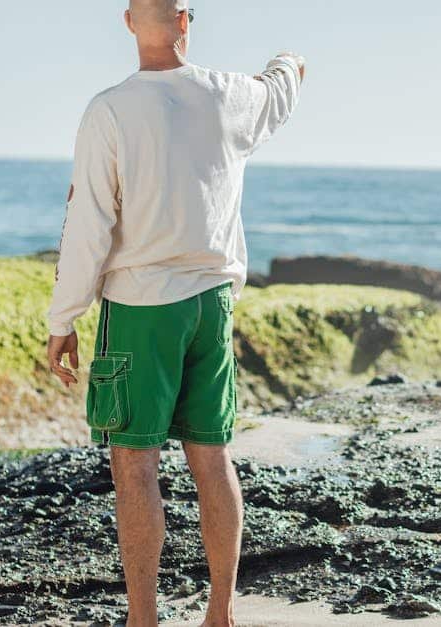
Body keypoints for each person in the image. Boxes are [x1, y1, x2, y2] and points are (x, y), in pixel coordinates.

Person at [45, 1, 304, 625]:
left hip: (139, 308)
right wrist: (291, 62)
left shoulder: (109, 109)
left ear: (129, 22)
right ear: (187, 21)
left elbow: (90, 223)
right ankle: (221, 611)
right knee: (210, 455)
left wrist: (64, 318)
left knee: (135, 462)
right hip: (212, 305)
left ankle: (144, 618)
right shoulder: (231, 97)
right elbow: (283, 86)